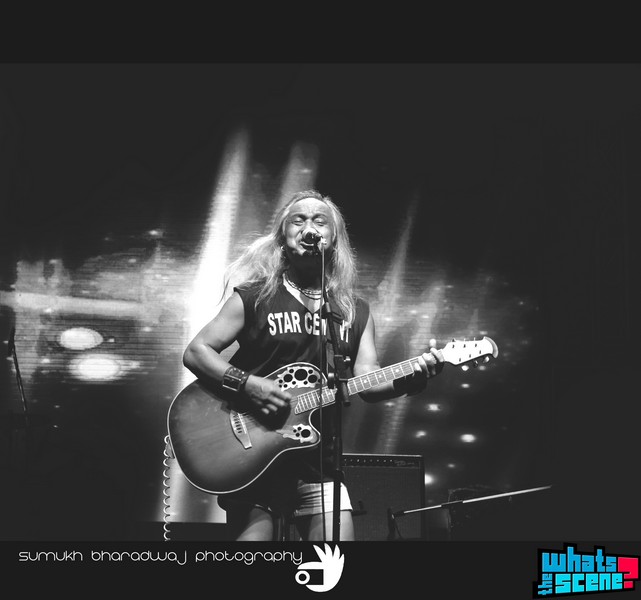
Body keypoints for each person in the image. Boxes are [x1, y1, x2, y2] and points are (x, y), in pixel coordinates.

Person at [182, 189, 444, 541]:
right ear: (283, 236)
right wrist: (248, 384)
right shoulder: (254, 296)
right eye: (299, 220)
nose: (309, 227)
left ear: (334, 238)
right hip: (254, 452)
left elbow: (367, 380)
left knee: (333, 562)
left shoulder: (353, 311)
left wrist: (410, 380)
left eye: (320, 221)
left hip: (317, 458)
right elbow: (197, 352)